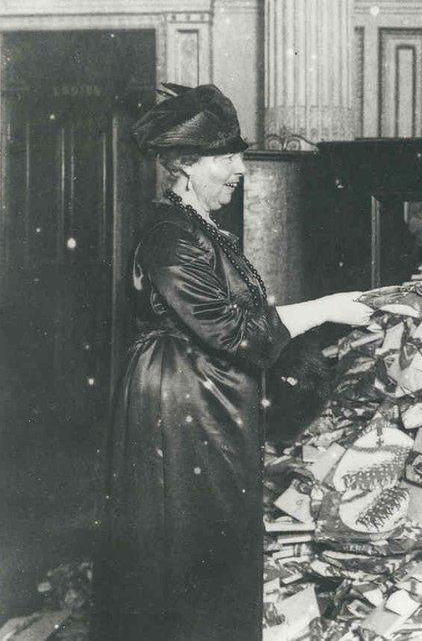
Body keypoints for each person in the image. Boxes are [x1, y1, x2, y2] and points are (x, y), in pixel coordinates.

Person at [93, 83, 372, 640]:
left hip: (207, 392)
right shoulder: (169, 235)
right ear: (187, 165)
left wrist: (325, 314)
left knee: (214, 532)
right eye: (226, 156)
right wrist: (322, 309)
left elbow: (240, 318)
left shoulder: (198, 229)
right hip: (179, 398)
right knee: (192, 536)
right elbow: (234, 332)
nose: (239, 168)